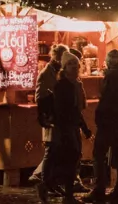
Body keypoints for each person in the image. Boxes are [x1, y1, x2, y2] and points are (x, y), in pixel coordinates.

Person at [86, 50, 118, 203]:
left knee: (99, 155)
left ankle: (99, 188)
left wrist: (99, 117)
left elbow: (106, 98)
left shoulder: (111, 75)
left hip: (108, 121)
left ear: (109, 61)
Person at [44, 52, 91, 204]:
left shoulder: (75, 85)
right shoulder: (63, 86)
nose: (75, 67)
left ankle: (53, 188)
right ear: (64, 67)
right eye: (71, 64)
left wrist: (83, 127)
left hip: (71, 127)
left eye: (76, 65)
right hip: (65, 129)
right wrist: (70, 129)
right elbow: (64, 110)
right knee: (68, 161)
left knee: (69, 161)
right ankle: (65, 195)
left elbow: (77, 110)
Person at [31, 45, 67, 186]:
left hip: (58, 116)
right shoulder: (46, 73)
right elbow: (40, 97)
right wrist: (44, 116)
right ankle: (42, 180)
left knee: (57, 150)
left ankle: (50, 181)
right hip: (51, 117)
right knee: (51, 150)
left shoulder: (59, 71)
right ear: (56, 56)